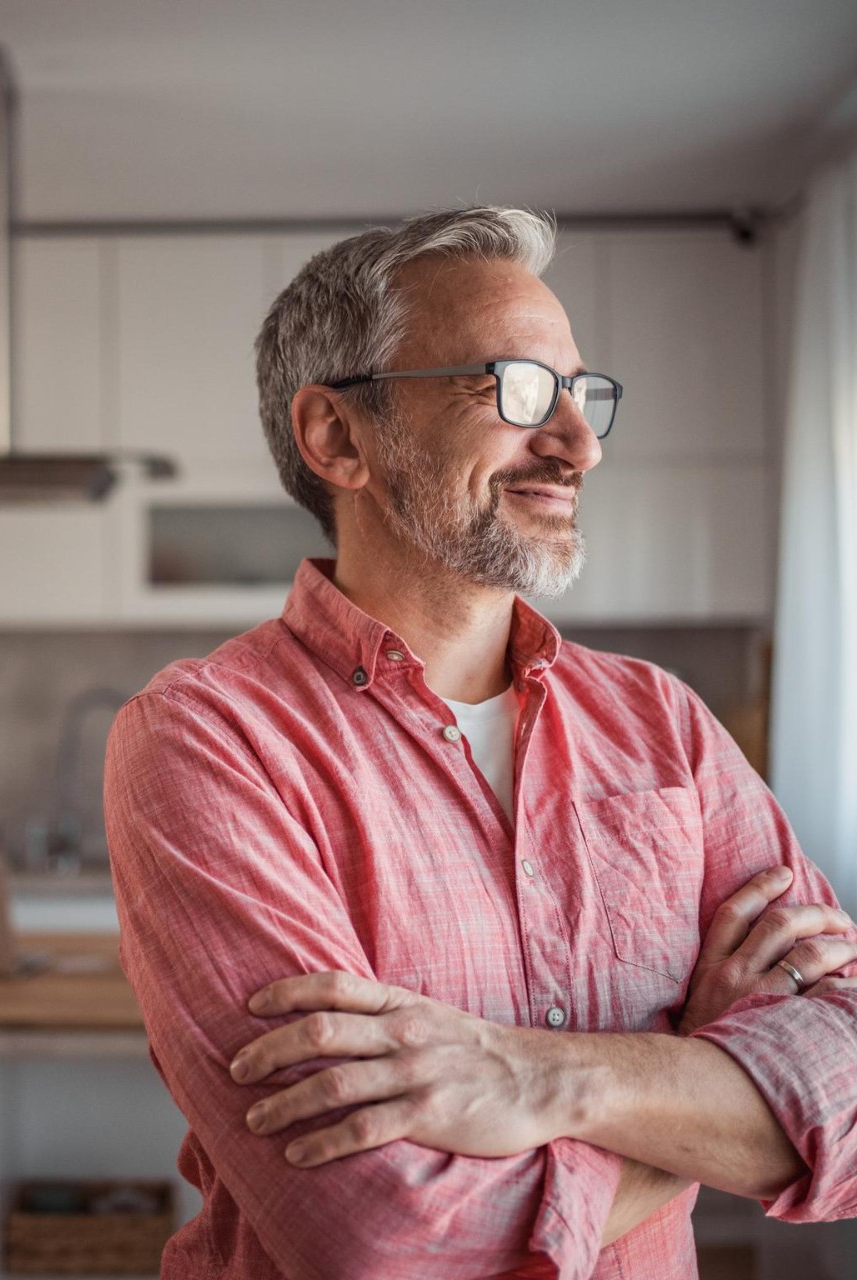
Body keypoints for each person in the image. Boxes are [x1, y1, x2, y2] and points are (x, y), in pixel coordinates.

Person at [103, 207, 857, 1279]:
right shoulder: (208, 738)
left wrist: (548, 1077)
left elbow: (849, 1097)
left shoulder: (664, 724)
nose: (576, 442)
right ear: (336, 437)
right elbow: (377, 1233)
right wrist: (697, 1080)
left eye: (580, 393)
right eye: (511, 387)